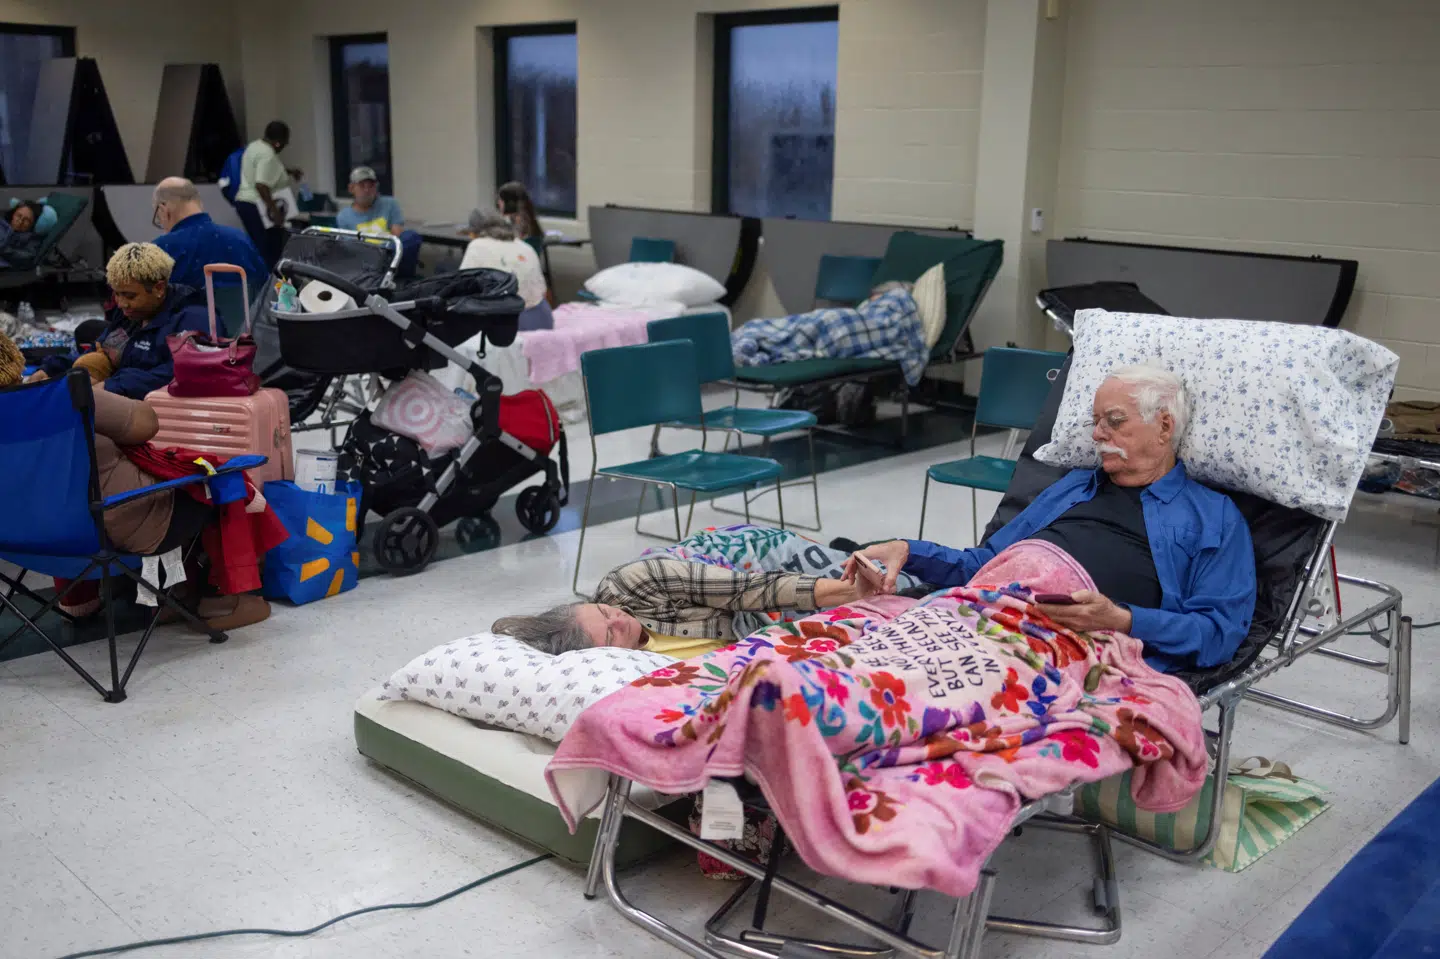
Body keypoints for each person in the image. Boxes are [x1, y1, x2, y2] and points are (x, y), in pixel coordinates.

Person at [846, 364, 1257, 674]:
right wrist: (908, 550)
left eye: (1114, 421)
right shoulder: (1072, 487)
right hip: (983, 611)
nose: (1097, 434)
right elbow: (984, 565)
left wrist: (1123, 620)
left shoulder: (1213, 517)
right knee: (848, 651)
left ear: (1164, 426)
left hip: (1059, 650)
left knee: (889, 683)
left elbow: (1218, 633)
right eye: (1096, 422)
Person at [0, 331, 271, 628]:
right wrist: (98, 395)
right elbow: (145, 424)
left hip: (21, 542)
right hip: (109, 531)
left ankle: (169, 594)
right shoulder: (60, 397)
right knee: (219, 481)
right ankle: (233, 600)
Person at [494, 556, 863, 660]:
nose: (619, 619)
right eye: (610, 634)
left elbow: (748, 590)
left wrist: (848, 591)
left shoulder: (631, 585)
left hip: (759, 603)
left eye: (605, 612)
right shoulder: (624, 672)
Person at [28, 243, 209, 399]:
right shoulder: (131, 315)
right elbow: (101, 349)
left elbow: (182, 373)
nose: (122, 303)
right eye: (117, 294)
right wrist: (52, 369)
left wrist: (112, 386)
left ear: (159, 288)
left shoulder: (193, 319)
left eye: (130, 296)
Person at [151, 177, 266, 291]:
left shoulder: (160, 250)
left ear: (163, 210)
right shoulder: (241, 239)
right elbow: (266, 289)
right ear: (199, 203)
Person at [460, 209, 550, 327]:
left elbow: (461, 288)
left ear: (474, 232)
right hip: (542, 318)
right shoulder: (526, 247)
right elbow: (543, 291)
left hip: (508, 324)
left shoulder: (477, 246)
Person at [234, 121, 300, 269]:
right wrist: (274, 211)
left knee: (259, 247)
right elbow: (261, 185)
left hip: (245, 203)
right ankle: (271, 279)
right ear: (278, 142)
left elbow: (262, 170)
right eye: (285, 142)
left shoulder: (255, 146)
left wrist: (288, 171)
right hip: (257, 206)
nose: (285, 145)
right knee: (270, 250)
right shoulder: (268, 155)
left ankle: (263, 277)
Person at [335, 166, 421, 278]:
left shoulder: (390, 204)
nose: (367, 190)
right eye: (362, 186)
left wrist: (384, 251)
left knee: (411, 237)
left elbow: (397, 235)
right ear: (351, 188)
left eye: (371, 186)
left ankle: (385, 264)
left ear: (376, 187)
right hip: (366, 261)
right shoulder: (343, 216)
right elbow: (353, 248)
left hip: (391, 254)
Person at [0, 201, 46, 269]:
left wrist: (4, 249)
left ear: (32, 224)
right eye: (18, 216)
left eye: (26, 220)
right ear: (13, 214)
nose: (20, 221)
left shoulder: (33, 239)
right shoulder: (2, 224)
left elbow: (28, 256)